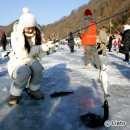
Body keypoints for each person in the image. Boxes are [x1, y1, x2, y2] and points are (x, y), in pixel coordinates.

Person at [7, 7, 52, 105]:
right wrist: (40, 48)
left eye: (32, 27)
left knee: (38, 68)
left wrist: (47, 47)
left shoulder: (38, 34)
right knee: (25, 71)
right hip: (18, 61)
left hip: (32, 60)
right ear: (22, 27)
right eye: (28, 28)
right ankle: (15, 94)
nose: (31, 30)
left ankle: (34, 90)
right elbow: (22, 54)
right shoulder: (15, 35)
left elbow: (40, 55)